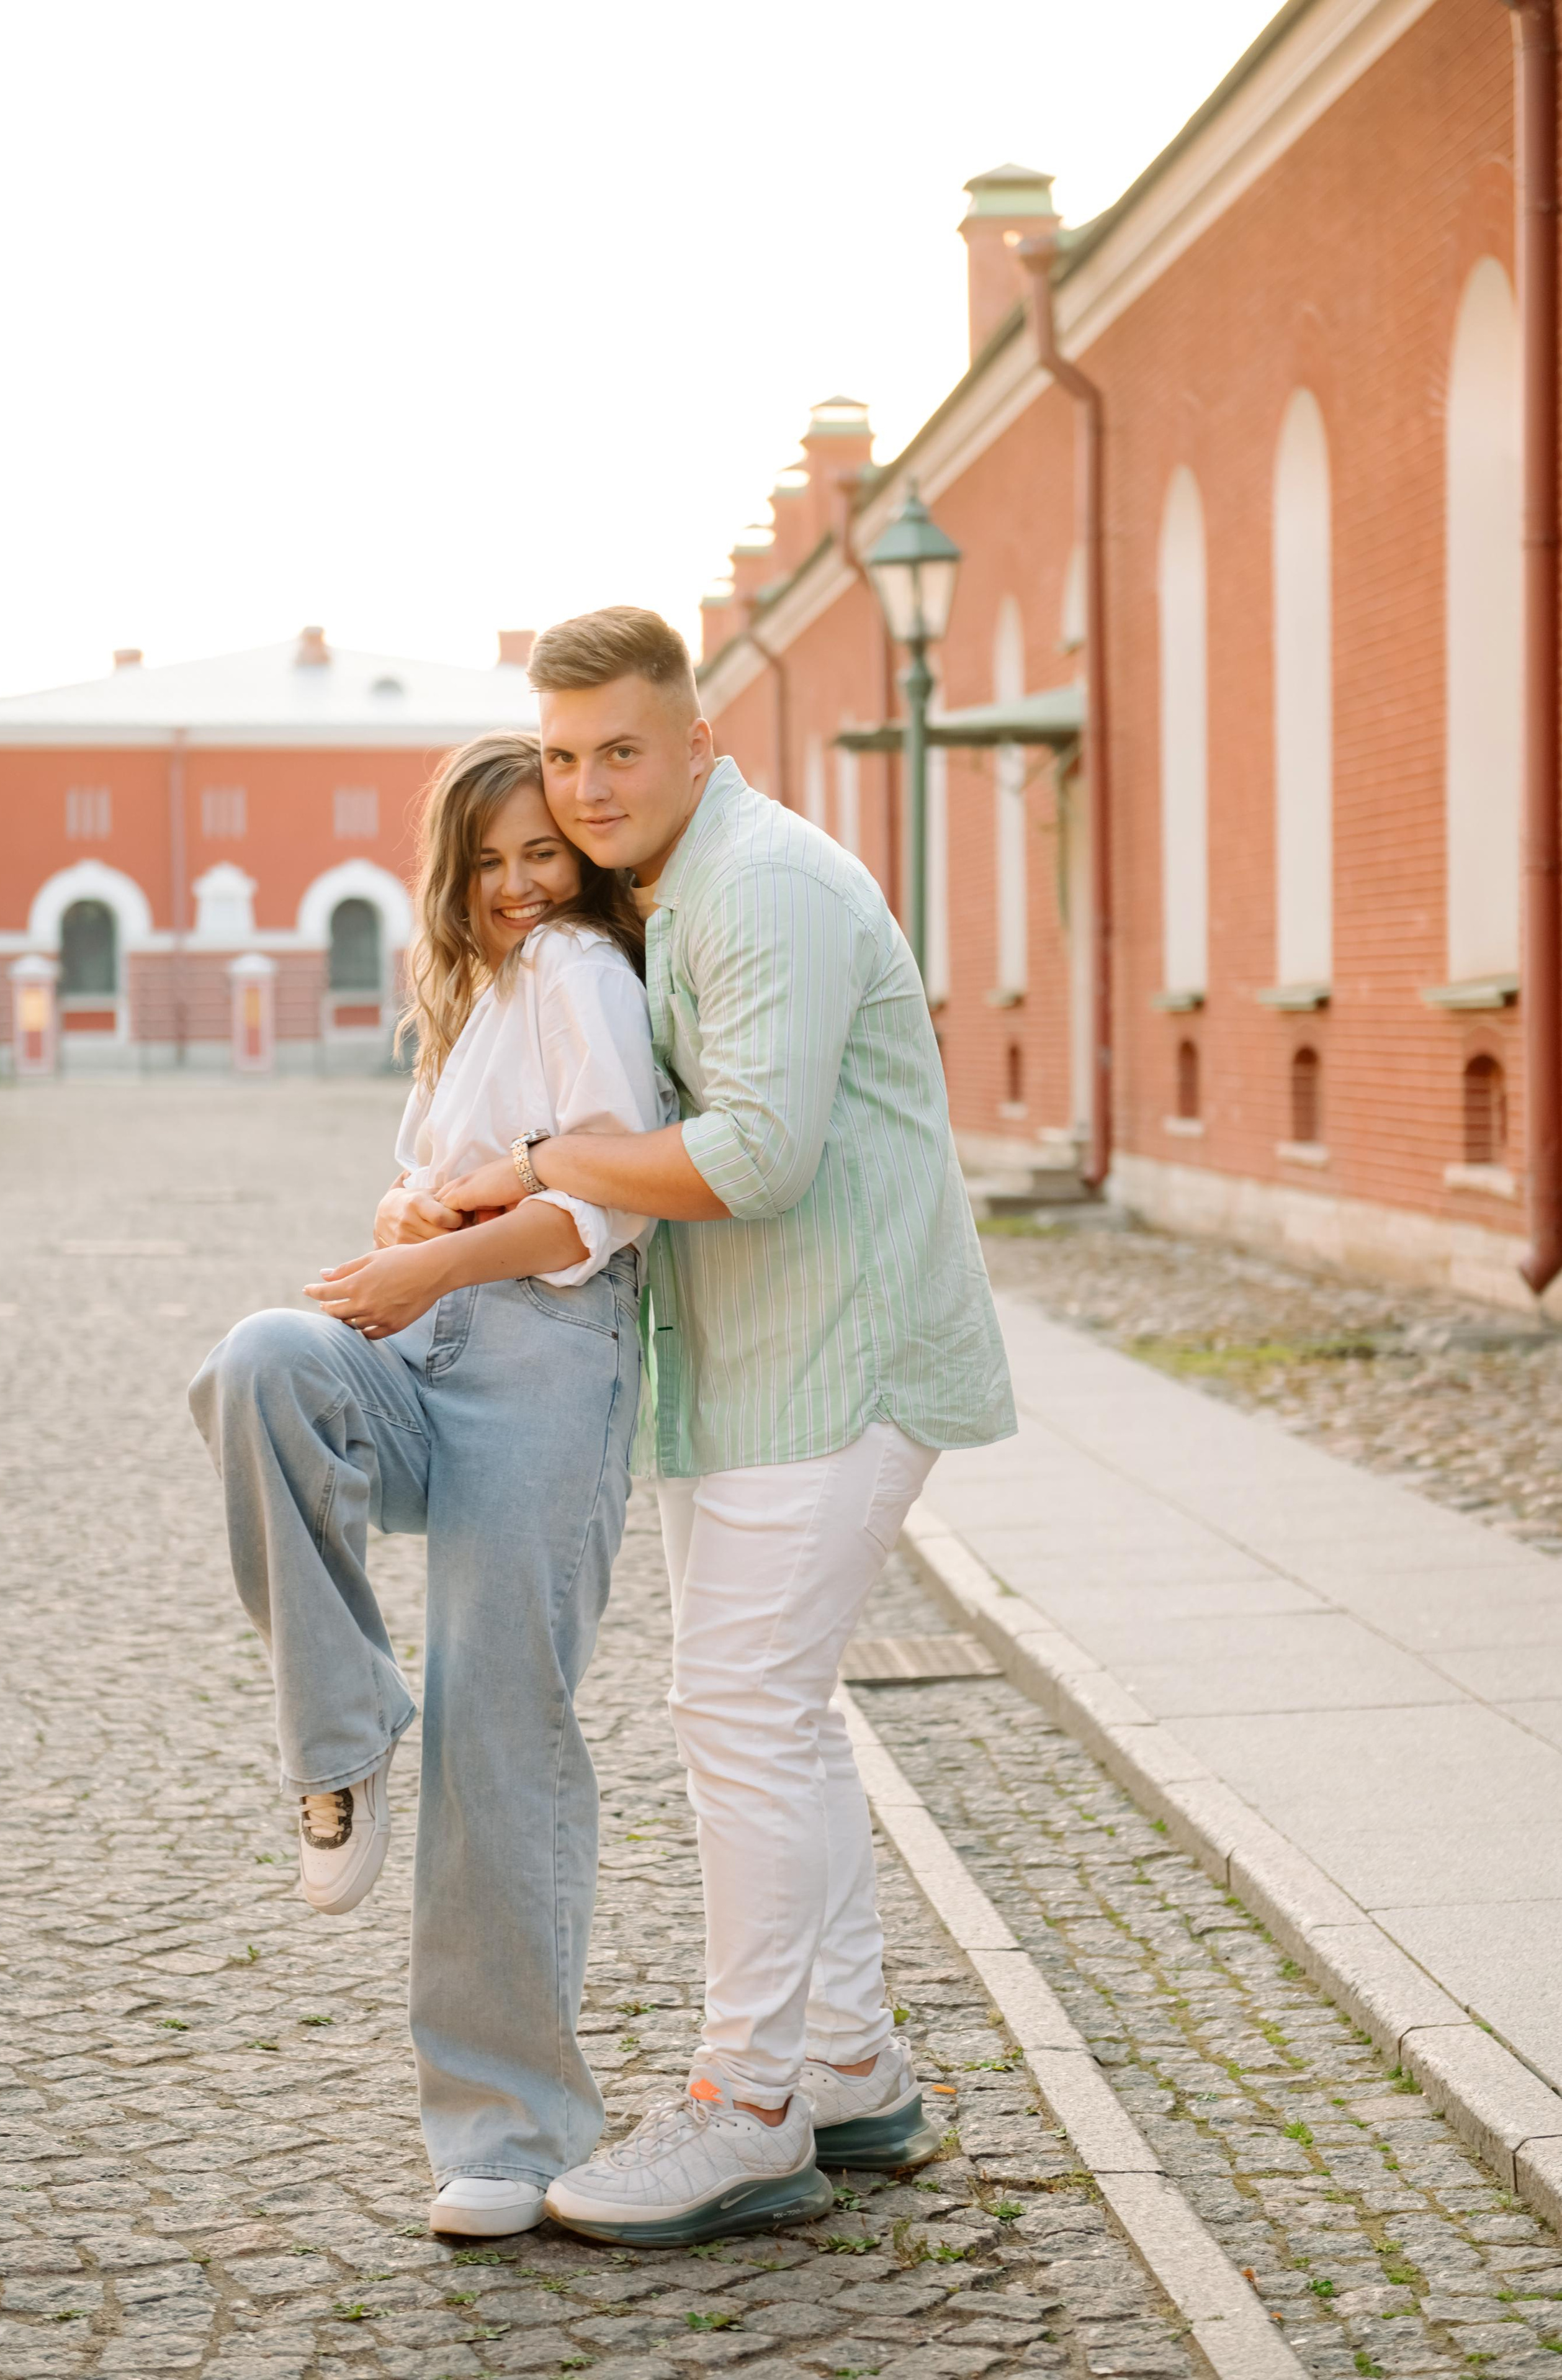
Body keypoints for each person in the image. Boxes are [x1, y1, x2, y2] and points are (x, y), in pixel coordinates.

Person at [435, 610, 1016, 2248]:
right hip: (762, 1368)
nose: (586, 787)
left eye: (620, 750)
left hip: (838, 1362)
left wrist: (542, 1158)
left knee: (740, 1714)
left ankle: (747, 2107)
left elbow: (754, 1158)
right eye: (563, 756)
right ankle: (848, 2065)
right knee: (782, 1717)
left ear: (697, 742)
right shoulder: (674, 890)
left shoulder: (759, 887)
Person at [189, 731, 665, 2239]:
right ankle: (340, 1742)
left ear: (581, 860)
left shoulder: (582, 969)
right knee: (261, 1363)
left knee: (498, 1729)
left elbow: (603, 1202)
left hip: (547, 1363)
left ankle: (508, 2135)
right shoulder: (467, 997)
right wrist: (411, 1216)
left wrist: (434, 1257)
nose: (519, 885)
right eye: (488, 862)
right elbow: (432, 1179)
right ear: (450, 877)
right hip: (428, 1338)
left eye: (543, 854)